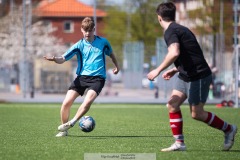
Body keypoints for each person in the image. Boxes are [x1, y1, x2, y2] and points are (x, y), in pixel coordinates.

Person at [147, 2, 237, 152]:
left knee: (197, 114)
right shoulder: (180, 29)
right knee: (172, 104)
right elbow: (190, 54)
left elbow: (174, 52)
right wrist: (175, 69)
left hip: (199, 76)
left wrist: (157, 70)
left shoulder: (171, 31)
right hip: (185, 75)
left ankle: (229, 129)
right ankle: (179, 143)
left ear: (159, 18)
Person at [44, 17, 120, 137]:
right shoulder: (78, 45)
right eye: (85, 30)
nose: (87, 33)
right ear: (81, 30)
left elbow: (111, 53)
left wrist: (117, 66)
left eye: (89, 30)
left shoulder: (103, 42)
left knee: (87, 102)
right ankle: (64, 130)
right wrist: (54, 59)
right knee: (66, 103)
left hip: (98, 79)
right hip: (81, 78)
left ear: (94, 29)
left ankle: (72, 122)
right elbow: (63, 58)